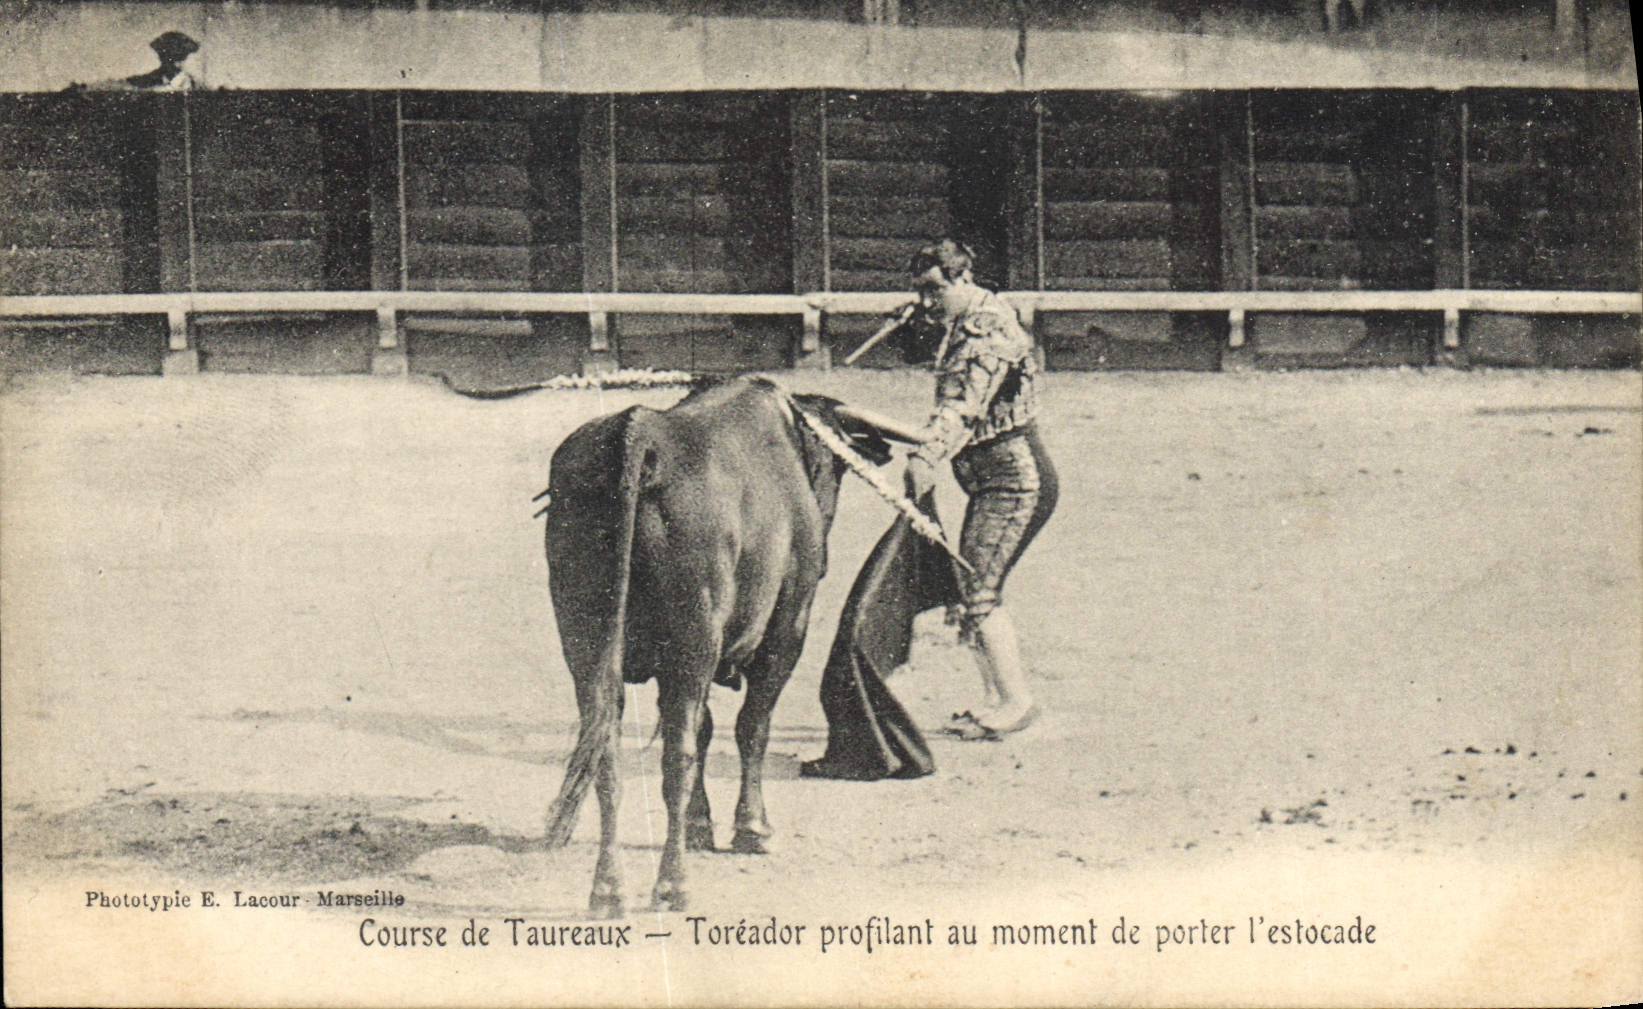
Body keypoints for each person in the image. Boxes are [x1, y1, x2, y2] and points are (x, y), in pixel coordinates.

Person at [865, 238, 1059, 741]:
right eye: (919, 293)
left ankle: (1016, 703)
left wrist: (927, 456)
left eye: (934, 291)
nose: (927, 302)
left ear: (963, 277)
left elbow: (964, 407)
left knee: (977, 590)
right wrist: (917, 323)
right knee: (971, 588)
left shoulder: (990, 327)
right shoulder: (965, 317)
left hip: (1016, 482)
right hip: (991, 481)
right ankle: (998, 697)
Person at [71, 31, 202, 92]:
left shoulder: (194, 85)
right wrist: (89, 87)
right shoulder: (153, 78)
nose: (164, 61)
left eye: (174, 58)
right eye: (162, 56)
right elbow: (124, 84)